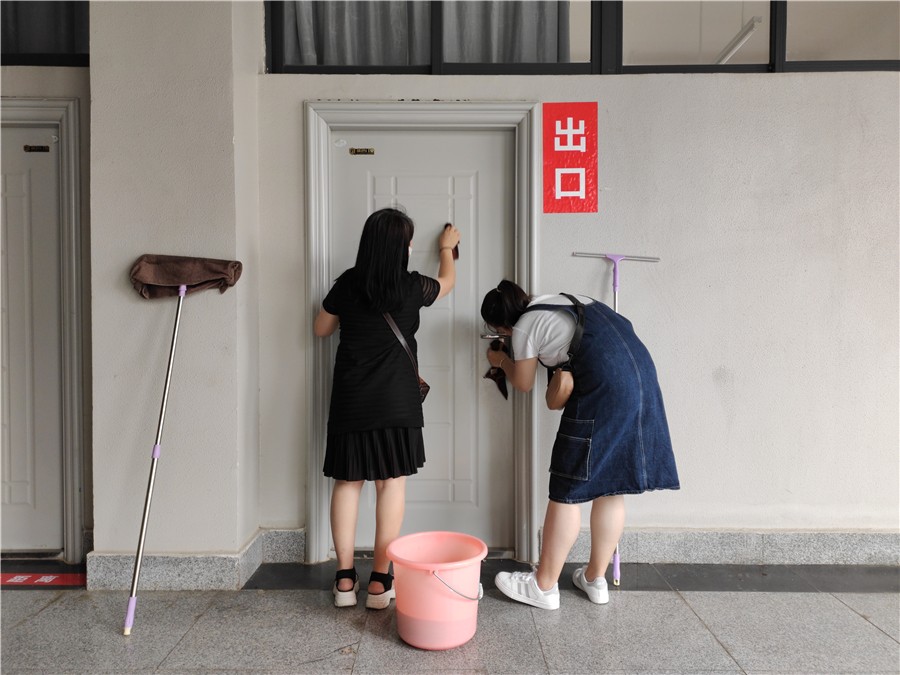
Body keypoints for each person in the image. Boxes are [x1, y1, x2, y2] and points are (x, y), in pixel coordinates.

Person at [481, 279, 679, 610]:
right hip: (643, 381)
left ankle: (543, 586)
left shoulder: (525, 325)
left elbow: (524, 382)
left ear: (502, 326)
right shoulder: (568, 300)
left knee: (567, 487)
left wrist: (500, 359)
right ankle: (595, 578)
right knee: (612, 485)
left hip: (604, 386)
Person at [314, 207, 460, 609]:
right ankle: (380, 582)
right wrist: (446, 248)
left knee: (348, 482)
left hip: (352, 399)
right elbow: (448, 282)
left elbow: (321, 328)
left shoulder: (348, 283)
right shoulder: (411, 286)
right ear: (403, 247)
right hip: (397, 400)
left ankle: (345, 581)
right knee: (390, 484)